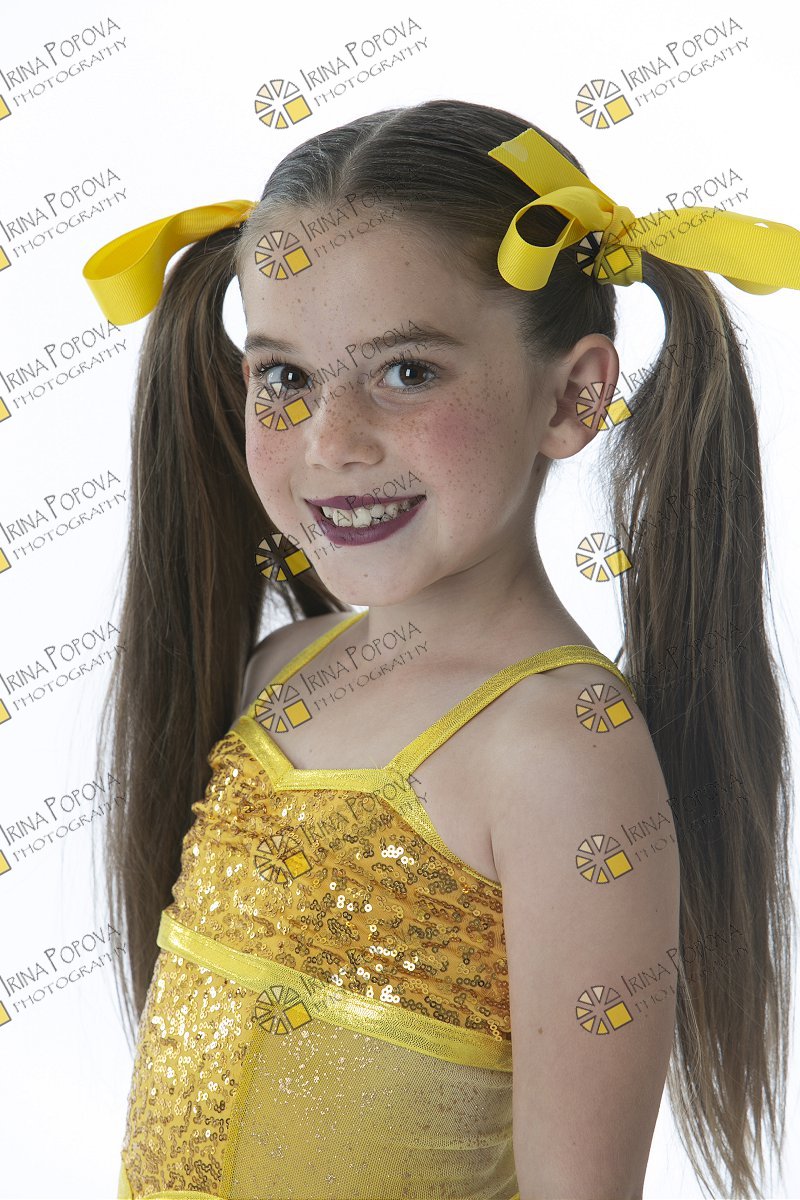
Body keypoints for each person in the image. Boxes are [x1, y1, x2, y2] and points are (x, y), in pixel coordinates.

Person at [84, 99, 799, 1200]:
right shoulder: (281, 674)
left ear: (572, 396)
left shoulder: (560, 752)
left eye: (406, 372)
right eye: (286, 378)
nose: (331, 443)